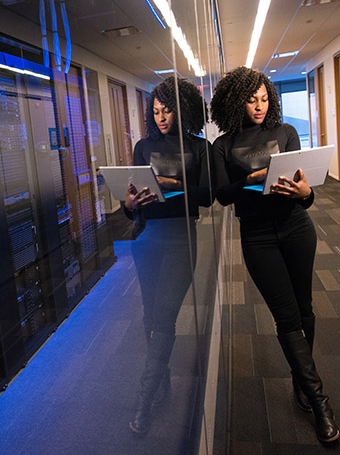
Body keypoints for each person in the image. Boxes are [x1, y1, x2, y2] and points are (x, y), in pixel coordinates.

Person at [210, 66, 339, 443]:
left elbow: (305, 190)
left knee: (305, 308)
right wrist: (249, 180)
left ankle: (302, 380)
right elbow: (221, 194)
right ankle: (319, 402)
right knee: (286, 317)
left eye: (265, 99)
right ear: (236, 101)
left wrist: (306, 194)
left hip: (296, 227)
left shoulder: (286, 133)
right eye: (252, 100)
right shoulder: (223, 145)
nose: (260, 106)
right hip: (257, 236)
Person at [124, 76, 212, 436]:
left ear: (182, 109)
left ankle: (145, 399)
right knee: (149, 315)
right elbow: (131, 205)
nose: (161, 117)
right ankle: (161, 381)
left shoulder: (198, 146)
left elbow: (207, 197)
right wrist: (129, 204)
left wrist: (174, 185)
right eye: (156, 111)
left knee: (164, 316)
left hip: (181, 240)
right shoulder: (143, 146)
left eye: (168, 110)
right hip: (147, 237)